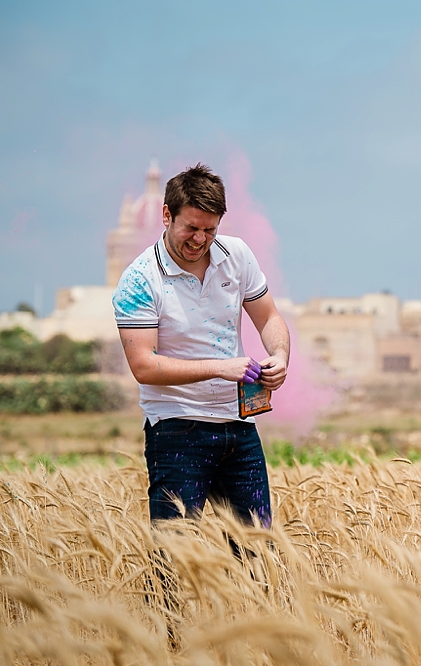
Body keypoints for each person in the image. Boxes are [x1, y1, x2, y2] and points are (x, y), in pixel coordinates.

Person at [112, 163, 290, 528]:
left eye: (209, 230)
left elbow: (269, 317)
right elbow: (143, 366)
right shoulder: (137, 281)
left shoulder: (237, 256)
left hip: (239, 425)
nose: (199, 239)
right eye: (190, 228)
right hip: (176, 428)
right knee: (173, 558)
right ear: (166, 215)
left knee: (257, 550)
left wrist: (280, 356)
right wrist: (219, 367)